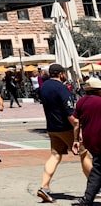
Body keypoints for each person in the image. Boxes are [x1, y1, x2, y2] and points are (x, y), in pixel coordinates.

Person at [38, 63, 90, 203]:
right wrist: (77, 129)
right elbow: (69, 112)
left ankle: (44, 186)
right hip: (65, 127)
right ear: (61, 74)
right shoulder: (61, 88)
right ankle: (95, 186)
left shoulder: (43, 88)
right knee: (84, 153)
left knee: (55, 155)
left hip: (52, 127)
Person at [71, 76, 101, 206]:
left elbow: (76, 123)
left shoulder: (81, 101)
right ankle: (87, 199)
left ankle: (87, 200)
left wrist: (76, 140)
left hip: (90, 140)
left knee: (98, 169)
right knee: (98, 169)